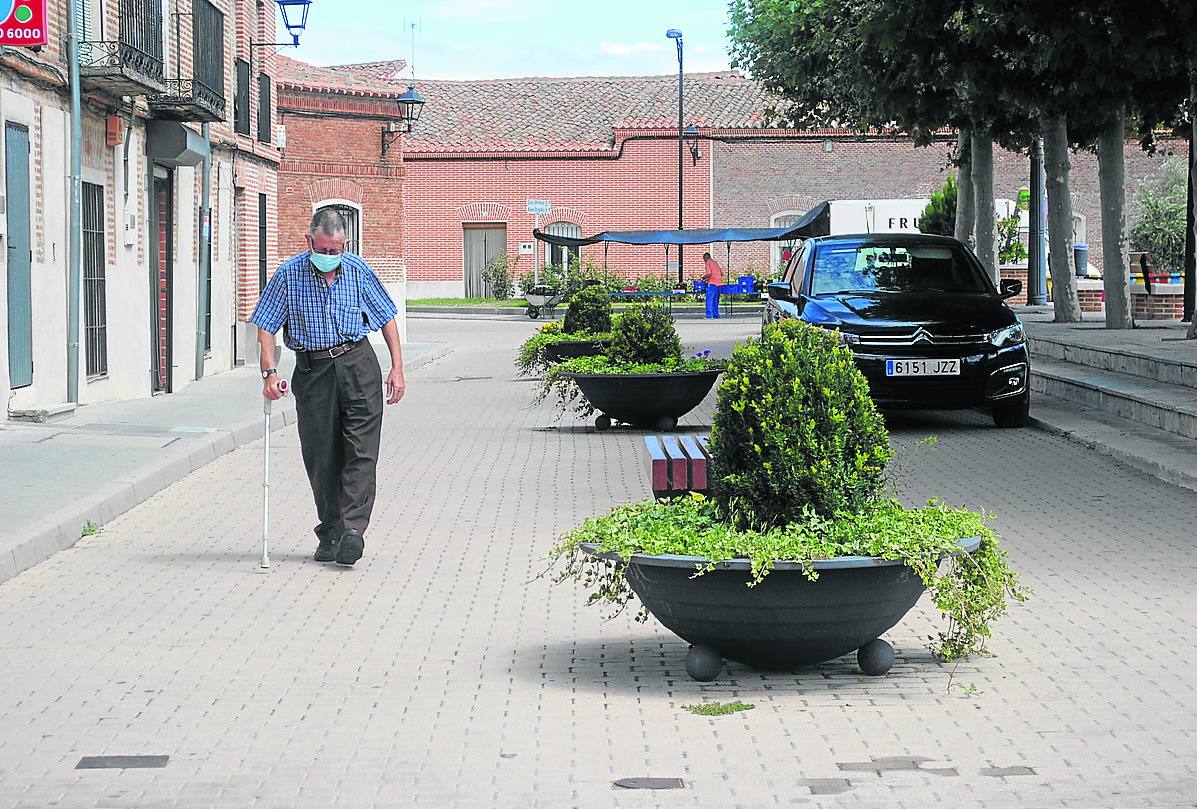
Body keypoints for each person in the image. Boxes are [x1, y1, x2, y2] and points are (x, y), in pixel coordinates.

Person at [250, 209, 406, 567]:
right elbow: (265, 328)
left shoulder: (358, 270)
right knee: (322, 457)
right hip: (314, 369)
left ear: (344, 245)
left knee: (360, 451)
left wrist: (397, 368)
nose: (330, 257)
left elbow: (387, 318)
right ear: (309, 242)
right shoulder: (289, 275)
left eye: (336, 250)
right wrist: (269, 374)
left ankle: (352, 531)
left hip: (357, 364)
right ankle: (330, 532)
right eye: (323, 249)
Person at [702, 251, 725, 319]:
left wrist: (703, 278)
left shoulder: (708, 263)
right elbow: (721, 273)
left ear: (705, 258)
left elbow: (709, 273)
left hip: (712, 284)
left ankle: (709, 315)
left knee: (709, 300)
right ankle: (716, 315)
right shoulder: (715, 263)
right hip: (719, 283)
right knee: (715, 301)